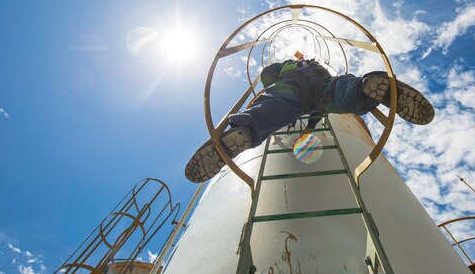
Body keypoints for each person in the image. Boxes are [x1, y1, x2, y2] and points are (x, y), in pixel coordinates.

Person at [185, 53, 434, 183]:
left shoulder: (286, 66)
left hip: (291, 87)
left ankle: (243, 133)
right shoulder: (318, 64)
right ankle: (368, 87)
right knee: (341, 91)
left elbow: (267, 75)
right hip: (320, 85)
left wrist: (275, 81)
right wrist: (310, 128)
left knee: (273, 107)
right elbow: (317, 112)